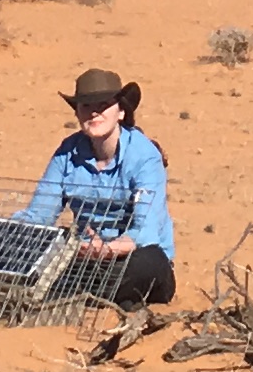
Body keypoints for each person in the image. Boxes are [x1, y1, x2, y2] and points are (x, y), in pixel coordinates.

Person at [25, 68, 176, 307]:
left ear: (121, 111)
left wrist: (109, 249)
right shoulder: (66, 153)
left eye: (103, 105)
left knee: (150, 262)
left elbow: (146, 231)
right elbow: (39, 215)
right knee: (32, 254)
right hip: (86, 259)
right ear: (77, 113)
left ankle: (68, 295)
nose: (94, 112)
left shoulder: (145, 156)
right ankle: (105, 299)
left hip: (133, 258)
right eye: (85, 105)